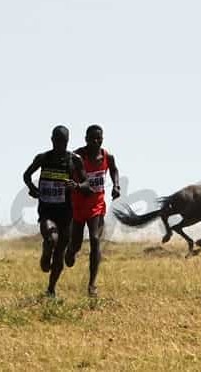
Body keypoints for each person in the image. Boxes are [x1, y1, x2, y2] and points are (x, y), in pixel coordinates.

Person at [23, 125, 90, 298]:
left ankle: (51, 289)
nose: (60, 144)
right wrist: (33, 189)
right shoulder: (43, 158)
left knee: (60, 251)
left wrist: (76, 185)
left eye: (64, 142)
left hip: (66, 212)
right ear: (52, 140)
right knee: (52, 238)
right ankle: (46, 251)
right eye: (57, 141)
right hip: (47, 210)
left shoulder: (74, 160)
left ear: (67, 142)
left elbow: (86, 183)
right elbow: (26, 175)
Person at [65, 125, 120, 297]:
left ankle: (92, 285)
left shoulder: (107, 156)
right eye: (92, 138)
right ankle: (71, 251)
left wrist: (116, 185)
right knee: (76, 244)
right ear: (86, 139)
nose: (96, 141)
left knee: (95, 239)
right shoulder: (76, 156)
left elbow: (114, 170)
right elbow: (66, 174)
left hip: (96, 204)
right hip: (78, 205)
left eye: (99, 138)